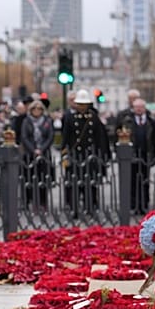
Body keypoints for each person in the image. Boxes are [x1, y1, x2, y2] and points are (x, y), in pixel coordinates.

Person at [61, 89, 109, 217]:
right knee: (74, 182)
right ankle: (74, 208)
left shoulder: (93, 117)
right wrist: (64, 153)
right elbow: (65, 137)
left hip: (90, 154)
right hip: (75, 155)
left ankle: (91, 206)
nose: (82, 107)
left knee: (91, 182)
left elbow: (99, 138)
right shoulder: (70, 118)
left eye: (84, 104)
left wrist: (101, 155)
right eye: (80, 104)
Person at [20, 99, 55, 208]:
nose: (37, 111)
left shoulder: (47, 121)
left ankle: (42, 201)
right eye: (34, 108)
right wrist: (33, 150)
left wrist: (42, 149)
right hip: (30, 154)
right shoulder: (27, 121)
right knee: (28, 178)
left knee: (43, 178)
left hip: (44, 154)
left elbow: (50, 136)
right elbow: (24, 137)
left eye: (39, 109)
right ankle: (27, 201)